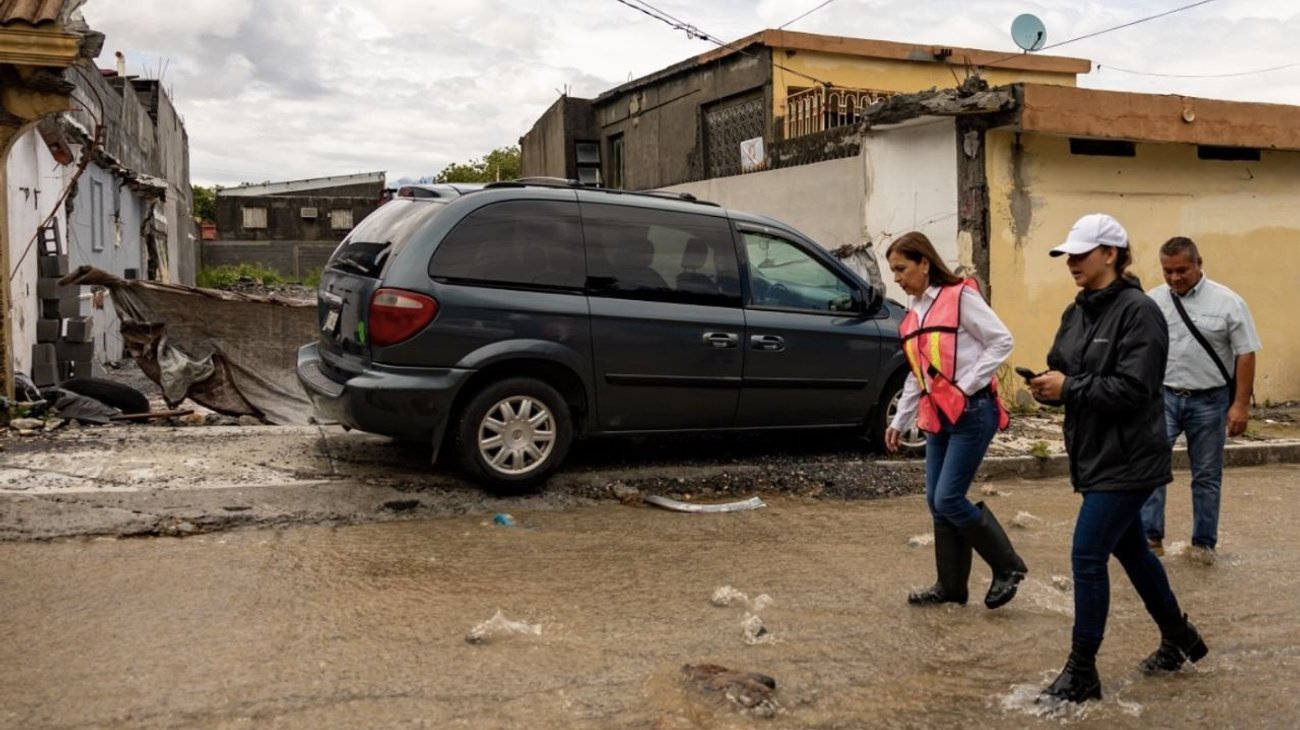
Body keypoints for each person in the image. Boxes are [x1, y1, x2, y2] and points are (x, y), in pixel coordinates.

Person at [1027, 213, 1207, 705]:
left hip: (1129, 457)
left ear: (1111, 254)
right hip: (1092, 453)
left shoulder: (1139, 311)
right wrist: (1048, 386)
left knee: (1087, 555)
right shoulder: (1077, 311)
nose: (1072, 263)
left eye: (1081, 254)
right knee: (1131, 551)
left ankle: (1082, 671)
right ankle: (1180, 638)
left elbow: (1134, 388)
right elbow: (1066, 369)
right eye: (1068, 255)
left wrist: (1070, 387)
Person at [884, 231, 1025, 610]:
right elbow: (917, 374)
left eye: (901, 268)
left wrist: (965, 386)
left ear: (924, 263)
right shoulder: (913, 315)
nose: (897, 278)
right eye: (893, 271)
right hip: (938, 416)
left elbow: (1001, 340)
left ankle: (1008, 566)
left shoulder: (960, 296)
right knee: (936, 500)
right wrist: (899, 421)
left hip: (973, 412)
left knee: (948, 497)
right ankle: (950, 587)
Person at [1141, 237, 1261, 565]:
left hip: (1210, 401)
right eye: (1168, 271)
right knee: (1150, 466)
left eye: (1181, 270)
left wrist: (1240, 405)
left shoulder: (1229, 303)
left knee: (1207, 476)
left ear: (1198, 264)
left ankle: (1203, 545)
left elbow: (1246, 353)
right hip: (1164, 397)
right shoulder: (1152, 301)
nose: (1174, 278)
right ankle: (1150, 538)